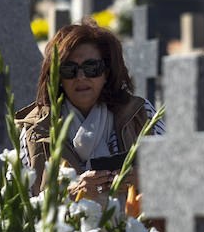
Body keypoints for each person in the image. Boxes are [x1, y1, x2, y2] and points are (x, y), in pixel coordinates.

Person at [18, 18, 162, 198]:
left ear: (106, 72)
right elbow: (13, 210)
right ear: (58, 77)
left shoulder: (140, 114)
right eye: (69, 70)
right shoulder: (35, 130)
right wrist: (70, 194)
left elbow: (178, 174)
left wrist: (144, 179)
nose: (80, 76)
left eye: (91, 68)